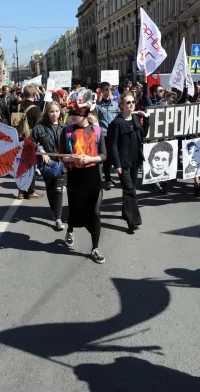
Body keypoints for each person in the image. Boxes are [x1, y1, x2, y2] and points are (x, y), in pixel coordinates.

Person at [59, 88, 107, 264]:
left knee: (94, 212)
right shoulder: (68, 131)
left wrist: (90, 158)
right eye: (71, 112)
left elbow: (104, 155)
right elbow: (61, 155)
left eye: (76, 113)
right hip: (75, 176)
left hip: (93, 176)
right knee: (75, 208)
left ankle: (95, 248)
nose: (72, 116)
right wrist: (69, 158)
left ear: (85, 112)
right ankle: (70, 229)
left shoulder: (97, 130)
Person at [107, 92, 150, 233]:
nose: (131, 104)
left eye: (132, 102)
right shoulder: (116, 123)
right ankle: (133, 221)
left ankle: (126, 212)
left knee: (130, 189)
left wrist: (147, 120)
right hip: (123, 162)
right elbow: (112, 145)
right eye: (128, 102)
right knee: (130, 189)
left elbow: (143, 135)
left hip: (135, 160)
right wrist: (117, 164)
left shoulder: (136, 118)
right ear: (121, 106)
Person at [31, 101, 67, 231]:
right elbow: (31, 141)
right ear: (47, 112)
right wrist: (41, 151)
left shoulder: (65, 126)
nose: (54, 114)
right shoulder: (39, 127)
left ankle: (58, 218)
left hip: (63, 163)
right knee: (51, 190)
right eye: (52, 111)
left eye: (57, 111)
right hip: (48, 164)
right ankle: (54, 210)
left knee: (58, 189)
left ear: (60, 112)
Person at [16, 85, 44, 200]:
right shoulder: (35, 109)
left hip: (19, 139)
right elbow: (39, 127)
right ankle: (31, 191)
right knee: (31, 166)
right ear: (34, 95)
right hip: (30, 140)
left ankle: (21, 192)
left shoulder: (18, 106)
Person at [96, 82, 121, 190]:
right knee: (106, 159)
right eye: (106, 89)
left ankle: (121, 177)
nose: (108, 91)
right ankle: (107, 179)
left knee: (116, 156)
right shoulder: (97, 106)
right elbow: (96, 121)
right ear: (101, 91)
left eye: (110, 89)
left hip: (115, 135)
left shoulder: (116, 105)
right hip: (104, 135)